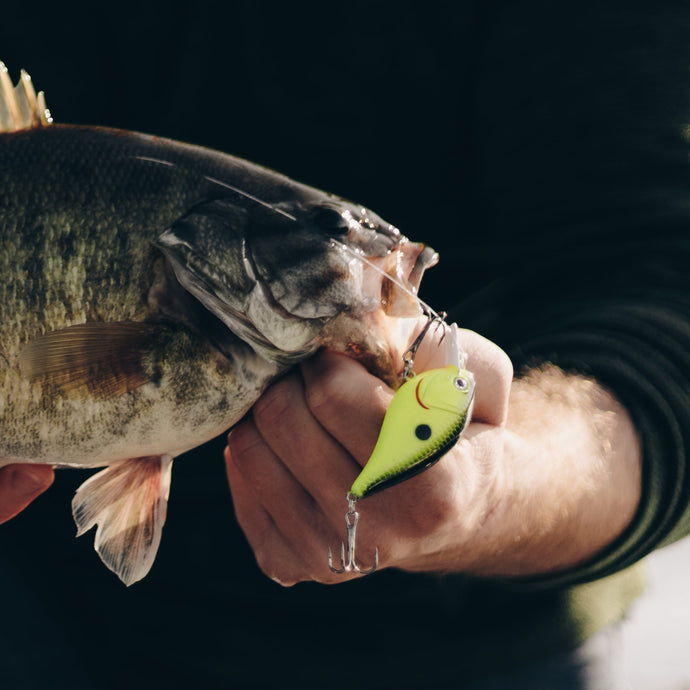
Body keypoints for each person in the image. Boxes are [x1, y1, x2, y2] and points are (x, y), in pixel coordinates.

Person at [3, 2, 690, 688]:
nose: (383, 253)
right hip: (38, 619)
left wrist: (493, 485)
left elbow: (659, 303)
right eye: (332, 230)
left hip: (463, 648)